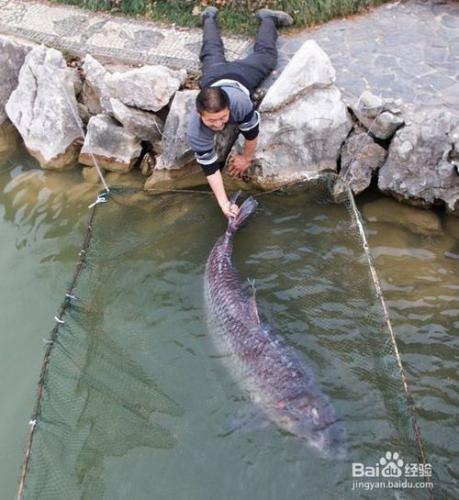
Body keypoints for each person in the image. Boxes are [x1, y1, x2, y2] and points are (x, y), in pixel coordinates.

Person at [186, 7, 293, 219]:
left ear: (229, 109)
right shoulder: (195, 130)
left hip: (242, 76)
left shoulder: (241, 104)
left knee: (266, 56)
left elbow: (252, 133)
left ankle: (268, 18)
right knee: (210, 51)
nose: (218, 125)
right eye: (211, 121)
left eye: (223, 118)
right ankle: (208, 16)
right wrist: (224, 203)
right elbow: (209, 168)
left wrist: (246, 157)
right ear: (200, 115)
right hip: (213, 76)